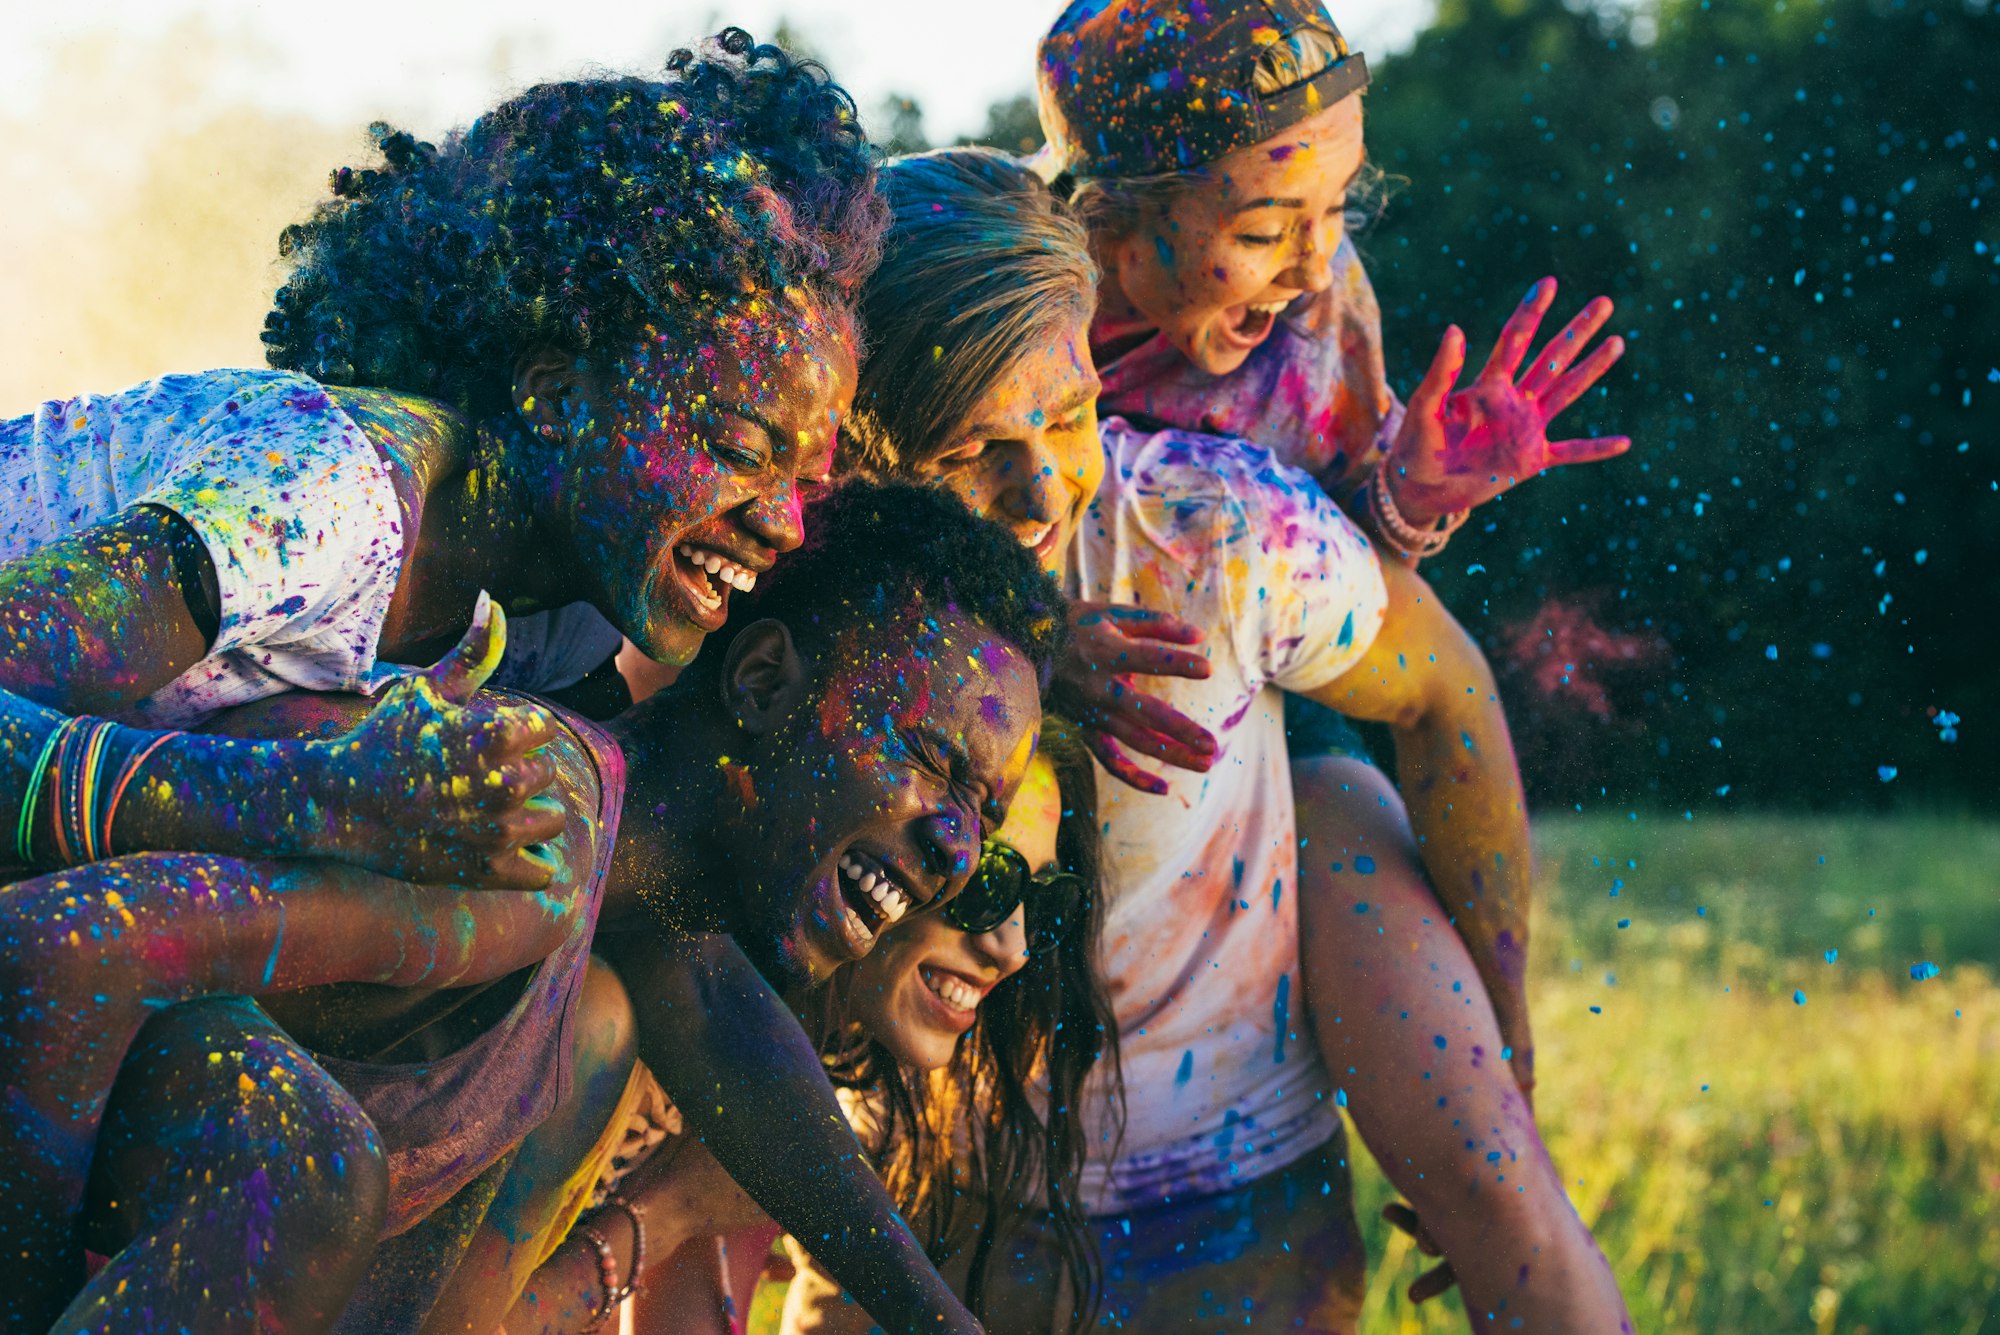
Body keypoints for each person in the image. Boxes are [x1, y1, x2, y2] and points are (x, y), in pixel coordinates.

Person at [818, 145, 1629, 1329]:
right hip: (910, 1206)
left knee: (1506, 1193)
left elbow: (1447, 692)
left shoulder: (1205, 525)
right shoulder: (787, 588)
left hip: (1225, 1213)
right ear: (854, 453)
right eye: (966, 457)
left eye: (1063, 419)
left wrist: (1501, 1051)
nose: (1042, 494)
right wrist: (1018, 654)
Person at [10, 481, 1058, 1335]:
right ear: (765, 680)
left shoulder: (603, 983)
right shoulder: (520, 818)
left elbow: (727, 1025)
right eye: (929, 761)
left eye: (986, 812)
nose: (957, 849)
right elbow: (64, 942)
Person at [0, 27, 880, 893]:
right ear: (557, 395)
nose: (784, 523)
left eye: (806, 485)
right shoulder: (325, 492)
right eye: (736, 449)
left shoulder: (562, 618)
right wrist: (316, 802)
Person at [512, 719, 1113, 1335]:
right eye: (983, 880)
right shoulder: (613, 1009)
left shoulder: (789, 1087)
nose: (1012, 949)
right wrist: (667, 1213)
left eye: (1042, 901)